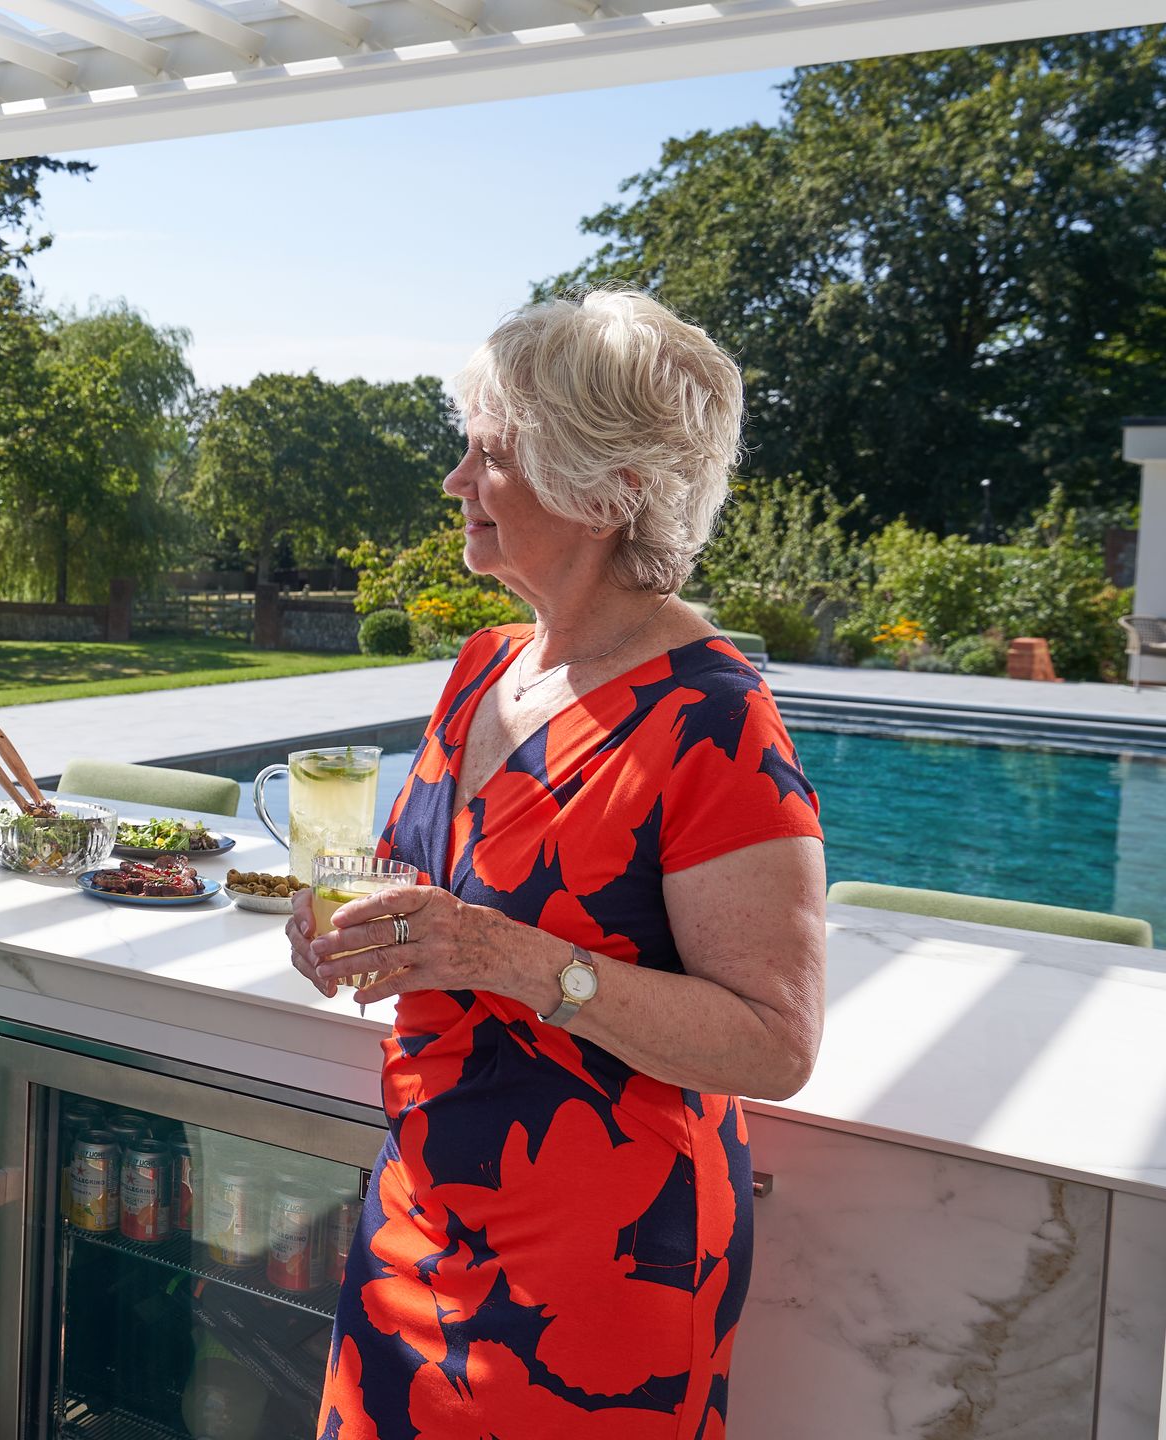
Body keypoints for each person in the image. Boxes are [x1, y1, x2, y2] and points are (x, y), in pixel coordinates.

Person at [291, 290, 827, 1437]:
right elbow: (423, 881)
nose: (453, 481)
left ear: (608, 489)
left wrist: (509, 958)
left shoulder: (715, 721)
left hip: (601, 1276)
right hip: (419, 1207)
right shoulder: (482, 668)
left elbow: (774, 1045)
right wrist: (351, 924)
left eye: (489, 453)